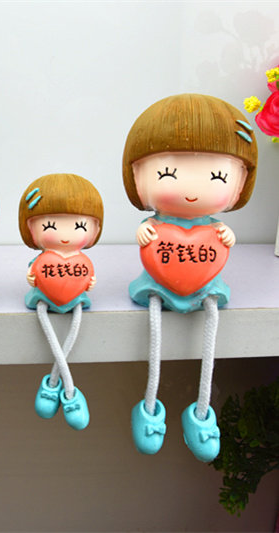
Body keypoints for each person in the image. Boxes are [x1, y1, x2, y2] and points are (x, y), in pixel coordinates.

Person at [122, 93, 258, 461]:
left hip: (206, 285)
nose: (192, 190)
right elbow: (149, 236)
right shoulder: (156, 225)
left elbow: (221, 241)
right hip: (157, 283)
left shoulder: (215, 229)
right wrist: (144, 231)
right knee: (154, 333)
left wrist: (226, 236)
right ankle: (149, 407)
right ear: (137, 177)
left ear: (241, 182)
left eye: (218, 176)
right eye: (168, 173)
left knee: (209, 333)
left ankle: (201, 412)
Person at [18, 173, 103, 430]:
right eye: (50, 226)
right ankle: (61, 387)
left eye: (79, 226)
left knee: (74, 321)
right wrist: (32, 278)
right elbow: (34, 271)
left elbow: (87, 276)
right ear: (31, 228)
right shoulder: (43, 259)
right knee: (45, 316)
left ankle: (58, 387)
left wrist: (88, 283)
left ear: (94, 229)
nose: (65, 236)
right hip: (44, 296)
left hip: (76, 296)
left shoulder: (81, 260)